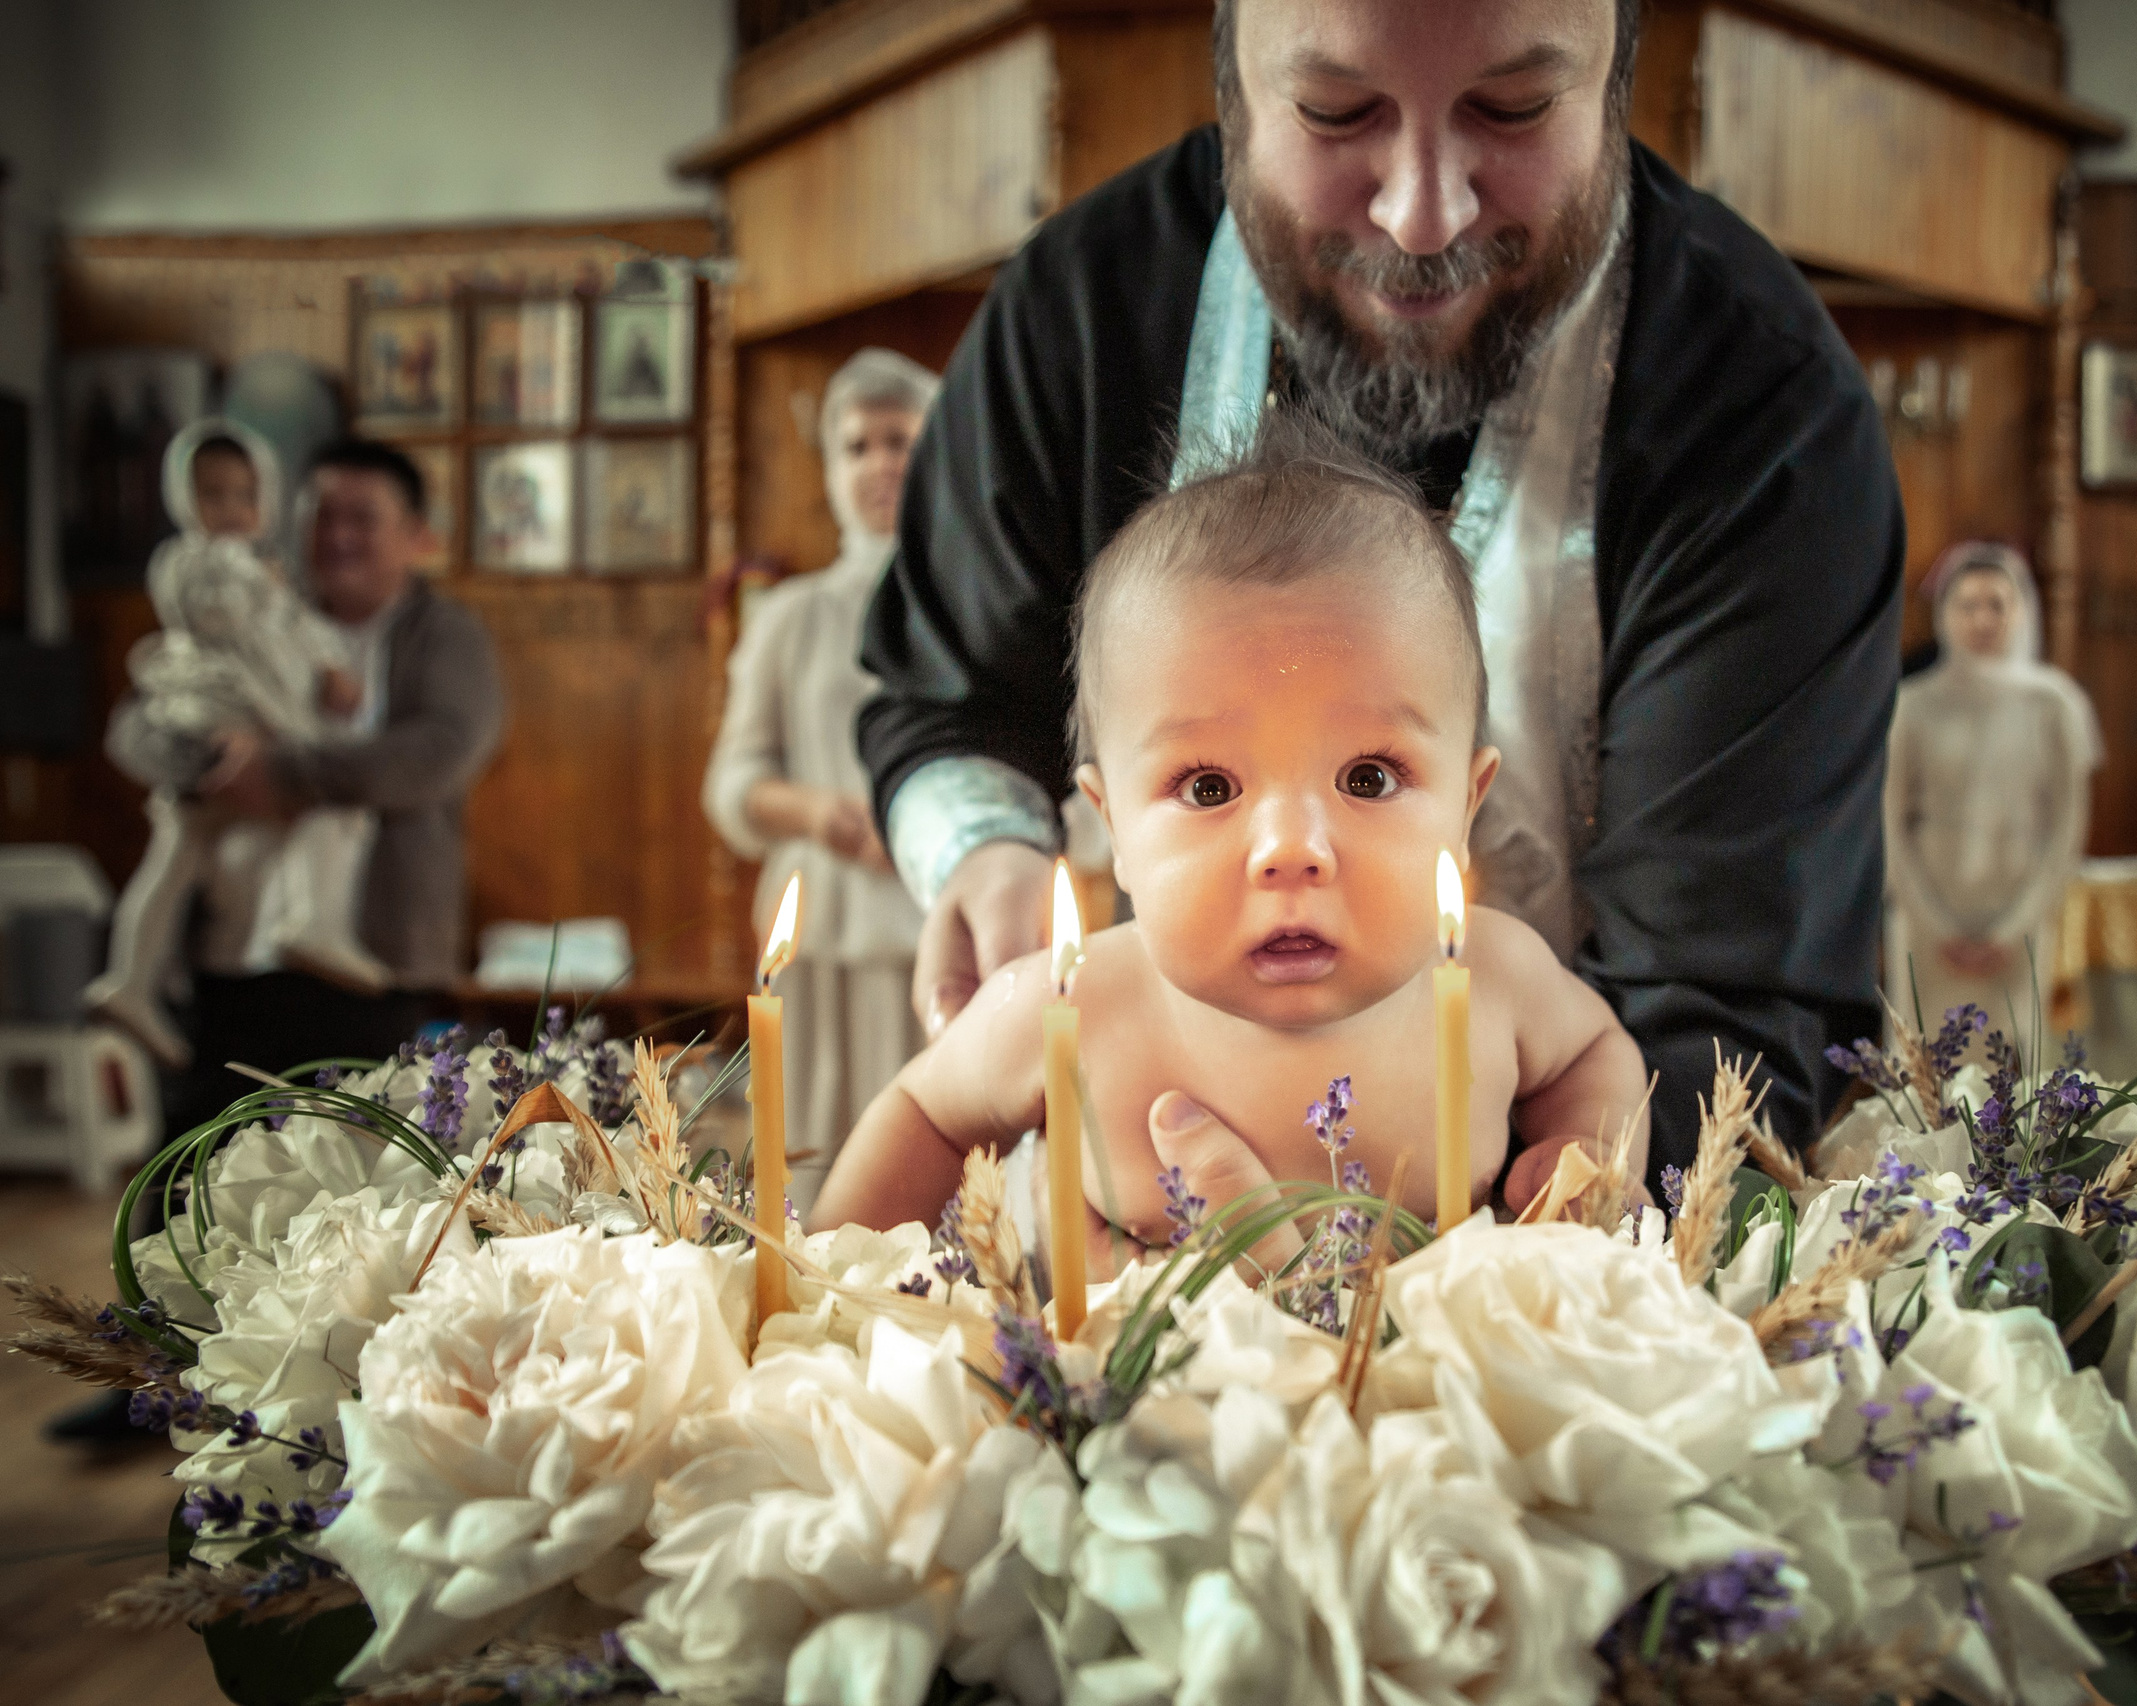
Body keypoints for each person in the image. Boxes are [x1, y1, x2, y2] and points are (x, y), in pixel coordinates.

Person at [857, 0, 1903, 1190]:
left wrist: (1444, 1231)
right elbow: (948, 697)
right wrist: (987, 850)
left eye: (1512, 108)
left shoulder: (1764, 405)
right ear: (1232, 90)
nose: (1422, 217)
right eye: (1335, 111)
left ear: (1614, 83)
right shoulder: (1078, 305)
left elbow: (1728, 1002)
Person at [811, 425, 1648, 1247]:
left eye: (1368, 778)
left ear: (1468, 806)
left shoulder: (1497, 979)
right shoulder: (1071, 1010)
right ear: (1114, 825)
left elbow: (1591, 1053)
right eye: (1208, 787)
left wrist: (1583, 1147)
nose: (1292, 848)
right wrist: (829, 1280)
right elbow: (925, 1113)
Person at [47, 437, 505, 1450]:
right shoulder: (247, 607)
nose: (335, 535)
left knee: (358, 1177)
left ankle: (346, 1395)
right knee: (187, 1160)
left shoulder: (443, 635)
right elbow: (134, 727)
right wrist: (209, 757)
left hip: (369, 952)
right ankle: (145, 1375)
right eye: (320, 514)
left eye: (362, 517)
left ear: (413, 535)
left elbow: (438, 754)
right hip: (232, 942)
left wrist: (285, 775)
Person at [703, 349, 936, 1208]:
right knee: (816, 1156)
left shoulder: (978, 609)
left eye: (900, 440)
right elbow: (733, 779)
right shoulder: (791, 618)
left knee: (934, 1159)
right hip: (819, 919)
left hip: (937, 914)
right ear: (831, 469)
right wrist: (816, 812)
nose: (879, 464)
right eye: (857, 445)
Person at [86, 419, 382, 1067]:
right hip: (212, 727)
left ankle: (130, 979)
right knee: (331, 804)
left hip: (230, 742)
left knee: (176, 858)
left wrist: (328, 667)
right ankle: (308, 921)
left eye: (246, 495)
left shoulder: (263, 575)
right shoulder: (201, 564)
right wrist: (270, 599)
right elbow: (246, 629)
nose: (231, 510)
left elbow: (296, 637)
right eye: (213, 494)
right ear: (182, 498)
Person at [1883, 543, 2101, 1049]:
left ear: (2022, 610)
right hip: (1927, 921)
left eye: (1997, 604)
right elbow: (1889, 822)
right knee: (1924, 1065)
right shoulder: (1912, 703)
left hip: (2018, 920)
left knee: (2011, 1070)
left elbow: (2067, 825)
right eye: (1968, 605)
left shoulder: (2056, 705)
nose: (1982, 619)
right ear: (1945, 613)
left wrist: (2014, 927)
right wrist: (1933, 923)